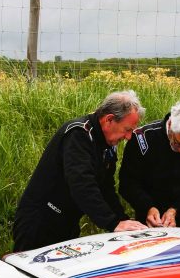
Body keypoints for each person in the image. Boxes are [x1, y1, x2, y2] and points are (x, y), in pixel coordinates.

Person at [12, 90, 148, 252]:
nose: (129, 137)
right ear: (109, 120)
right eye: (127, 129)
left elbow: (106, 187)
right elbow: (82, 184)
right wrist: (112, 223)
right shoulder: (78, 134)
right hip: (40, 221)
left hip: (67, 221)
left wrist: (122, 220)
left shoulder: (106, 144)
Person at [119, 100, 180, 228]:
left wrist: (175, 210)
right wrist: (148, 207)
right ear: (170, 125)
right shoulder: (142, 139)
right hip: (149, 221)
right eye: (178, 143)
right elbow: (128, 184)